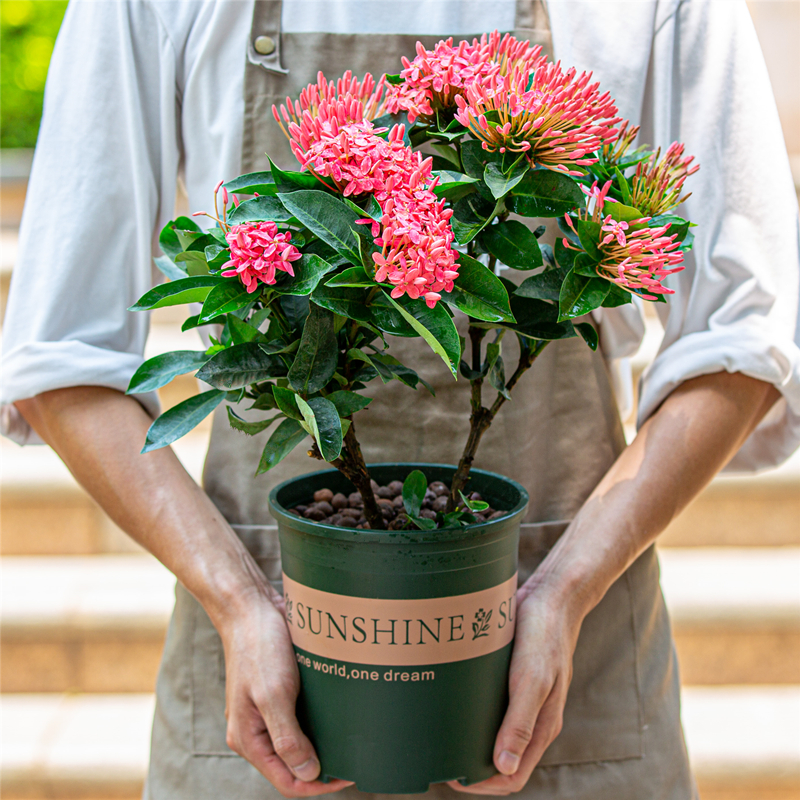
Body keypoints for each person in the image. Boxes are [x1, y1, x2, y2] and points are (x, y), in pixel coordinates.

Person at [3, 1, 799, 798]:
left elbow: (745, 341)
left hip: (568, 660)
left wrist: (565, 590)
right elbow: (61, 363)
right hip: (270, 678)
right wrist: (238, 602)